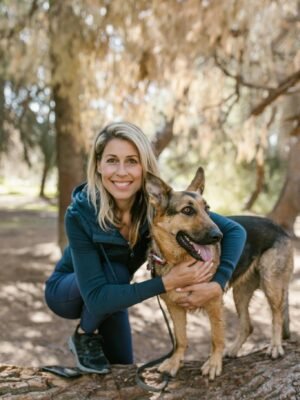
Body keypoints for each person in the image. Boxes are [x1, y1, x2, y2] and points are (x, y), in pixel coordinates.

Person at [44, 121, 246, 374]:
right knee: (116, 272)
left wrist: (218, 282)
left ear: (144, 167)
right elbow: (95, 298)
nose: (121, 171)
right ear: (98, 165)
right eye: (112, 160)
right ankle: (84, 335)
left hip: (115, 296)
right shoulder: (80, 213)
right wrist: (166, 282)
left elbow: (236, 231)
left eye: (131, 161)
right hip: (71, 292)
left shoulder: (159, 204)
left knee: (123, 370)